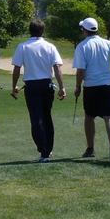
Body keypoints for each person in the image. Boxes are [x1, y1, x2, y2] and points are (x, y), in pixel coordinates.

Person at [10, 19, 67, 162]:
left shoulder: (22, 47)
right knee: (46, 117)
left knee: (36, 118)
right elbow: (57, 68)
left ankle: (43, 150)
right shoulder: (50, 47)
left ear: (30, 30)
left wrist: (14, 86)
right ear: (42, 31)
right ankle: (48, 149)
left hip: (32, 86)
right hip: (47, 85)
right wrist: (62, 87)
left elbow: (17, 69)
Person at [73, 16, 110, 159]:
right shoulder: (107, 43)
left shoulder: (82, 46)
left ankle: (90, 149)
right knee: (109, 117)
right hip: (108, 85)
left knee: (89, 117)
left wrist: (78, 87)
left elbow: (80, 71)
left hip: (91, 86)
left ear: (84, 30)